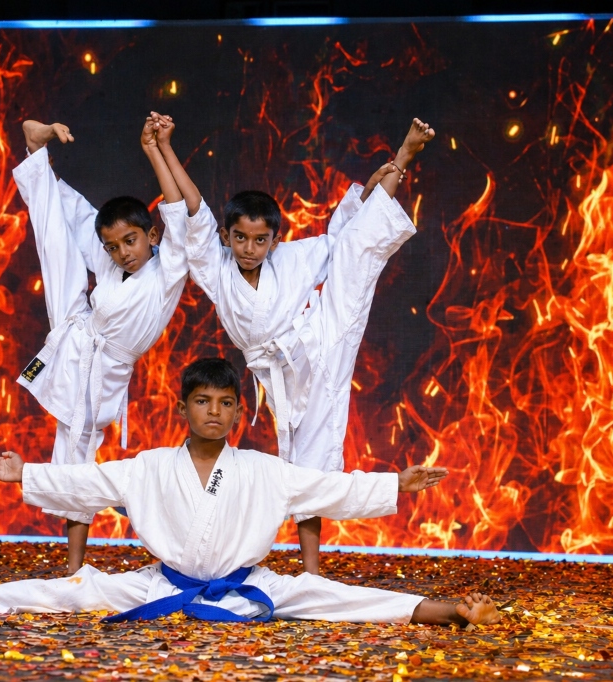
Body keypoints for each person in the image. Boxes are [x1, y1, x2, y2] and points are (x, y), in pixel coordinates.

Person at [0, 358, 502, 627]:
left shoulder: (261, 467)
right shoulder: (148, 466)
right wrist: (26, 474)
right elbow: (88, 482)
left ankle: (449, 611)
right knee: (75, 589)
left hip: (248, 585)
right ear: (184, 407)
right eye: (203, 402)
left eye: (226, 403)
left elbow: (330, 488)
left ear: (238, 412)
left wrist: (397, 482)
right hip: (161, 582)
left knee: (332, 597)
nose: (215, 412)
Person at [169, 117, 435, 574]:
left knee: (354, 253)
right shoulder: (216, 268)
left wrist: (384, 176)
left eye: (260, 240)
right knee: (302, 464)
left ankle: (406, 153)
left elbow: (344, 238)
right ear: (227, 237)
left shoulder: (292, 258)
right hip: (282, 373)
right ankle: (304, 567)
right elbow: (194, 210)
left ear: (274, 240)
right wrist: (165, 148)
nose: (249, 248)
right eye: (240, 238)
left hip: (321, 338)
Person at [11, 117, 188, 573]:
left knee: (77, 449)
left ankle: (35, 155)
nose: (123, 252)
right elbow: (79, 219)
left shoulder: (168, 269)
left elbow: (175, 208)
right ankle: (35, 153)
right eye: (114, 247)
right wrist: (105, 244)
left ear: (152, 236)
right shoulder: (110, 263)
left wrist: (155, 149)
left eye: (131, 241)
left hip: (102, 361)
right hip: (81, 346)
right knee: (60, 236)